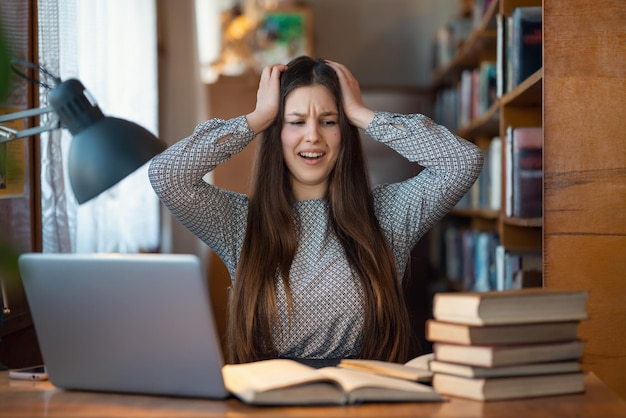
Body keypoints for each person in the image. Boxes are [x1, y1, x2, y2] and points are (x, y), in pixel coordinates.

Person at [149, 56, 483, 365]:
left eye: (328, 121)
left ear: (345, 133)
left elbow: (462, 162)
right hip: (271, 403)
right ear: (276, 132)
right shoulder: (239, 222)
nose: (313, 136)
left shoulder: (388, 214)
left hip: (367, 401)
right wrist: (256, 120)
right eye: (295, 121)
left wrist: (364, 115)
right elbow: (166, 175)